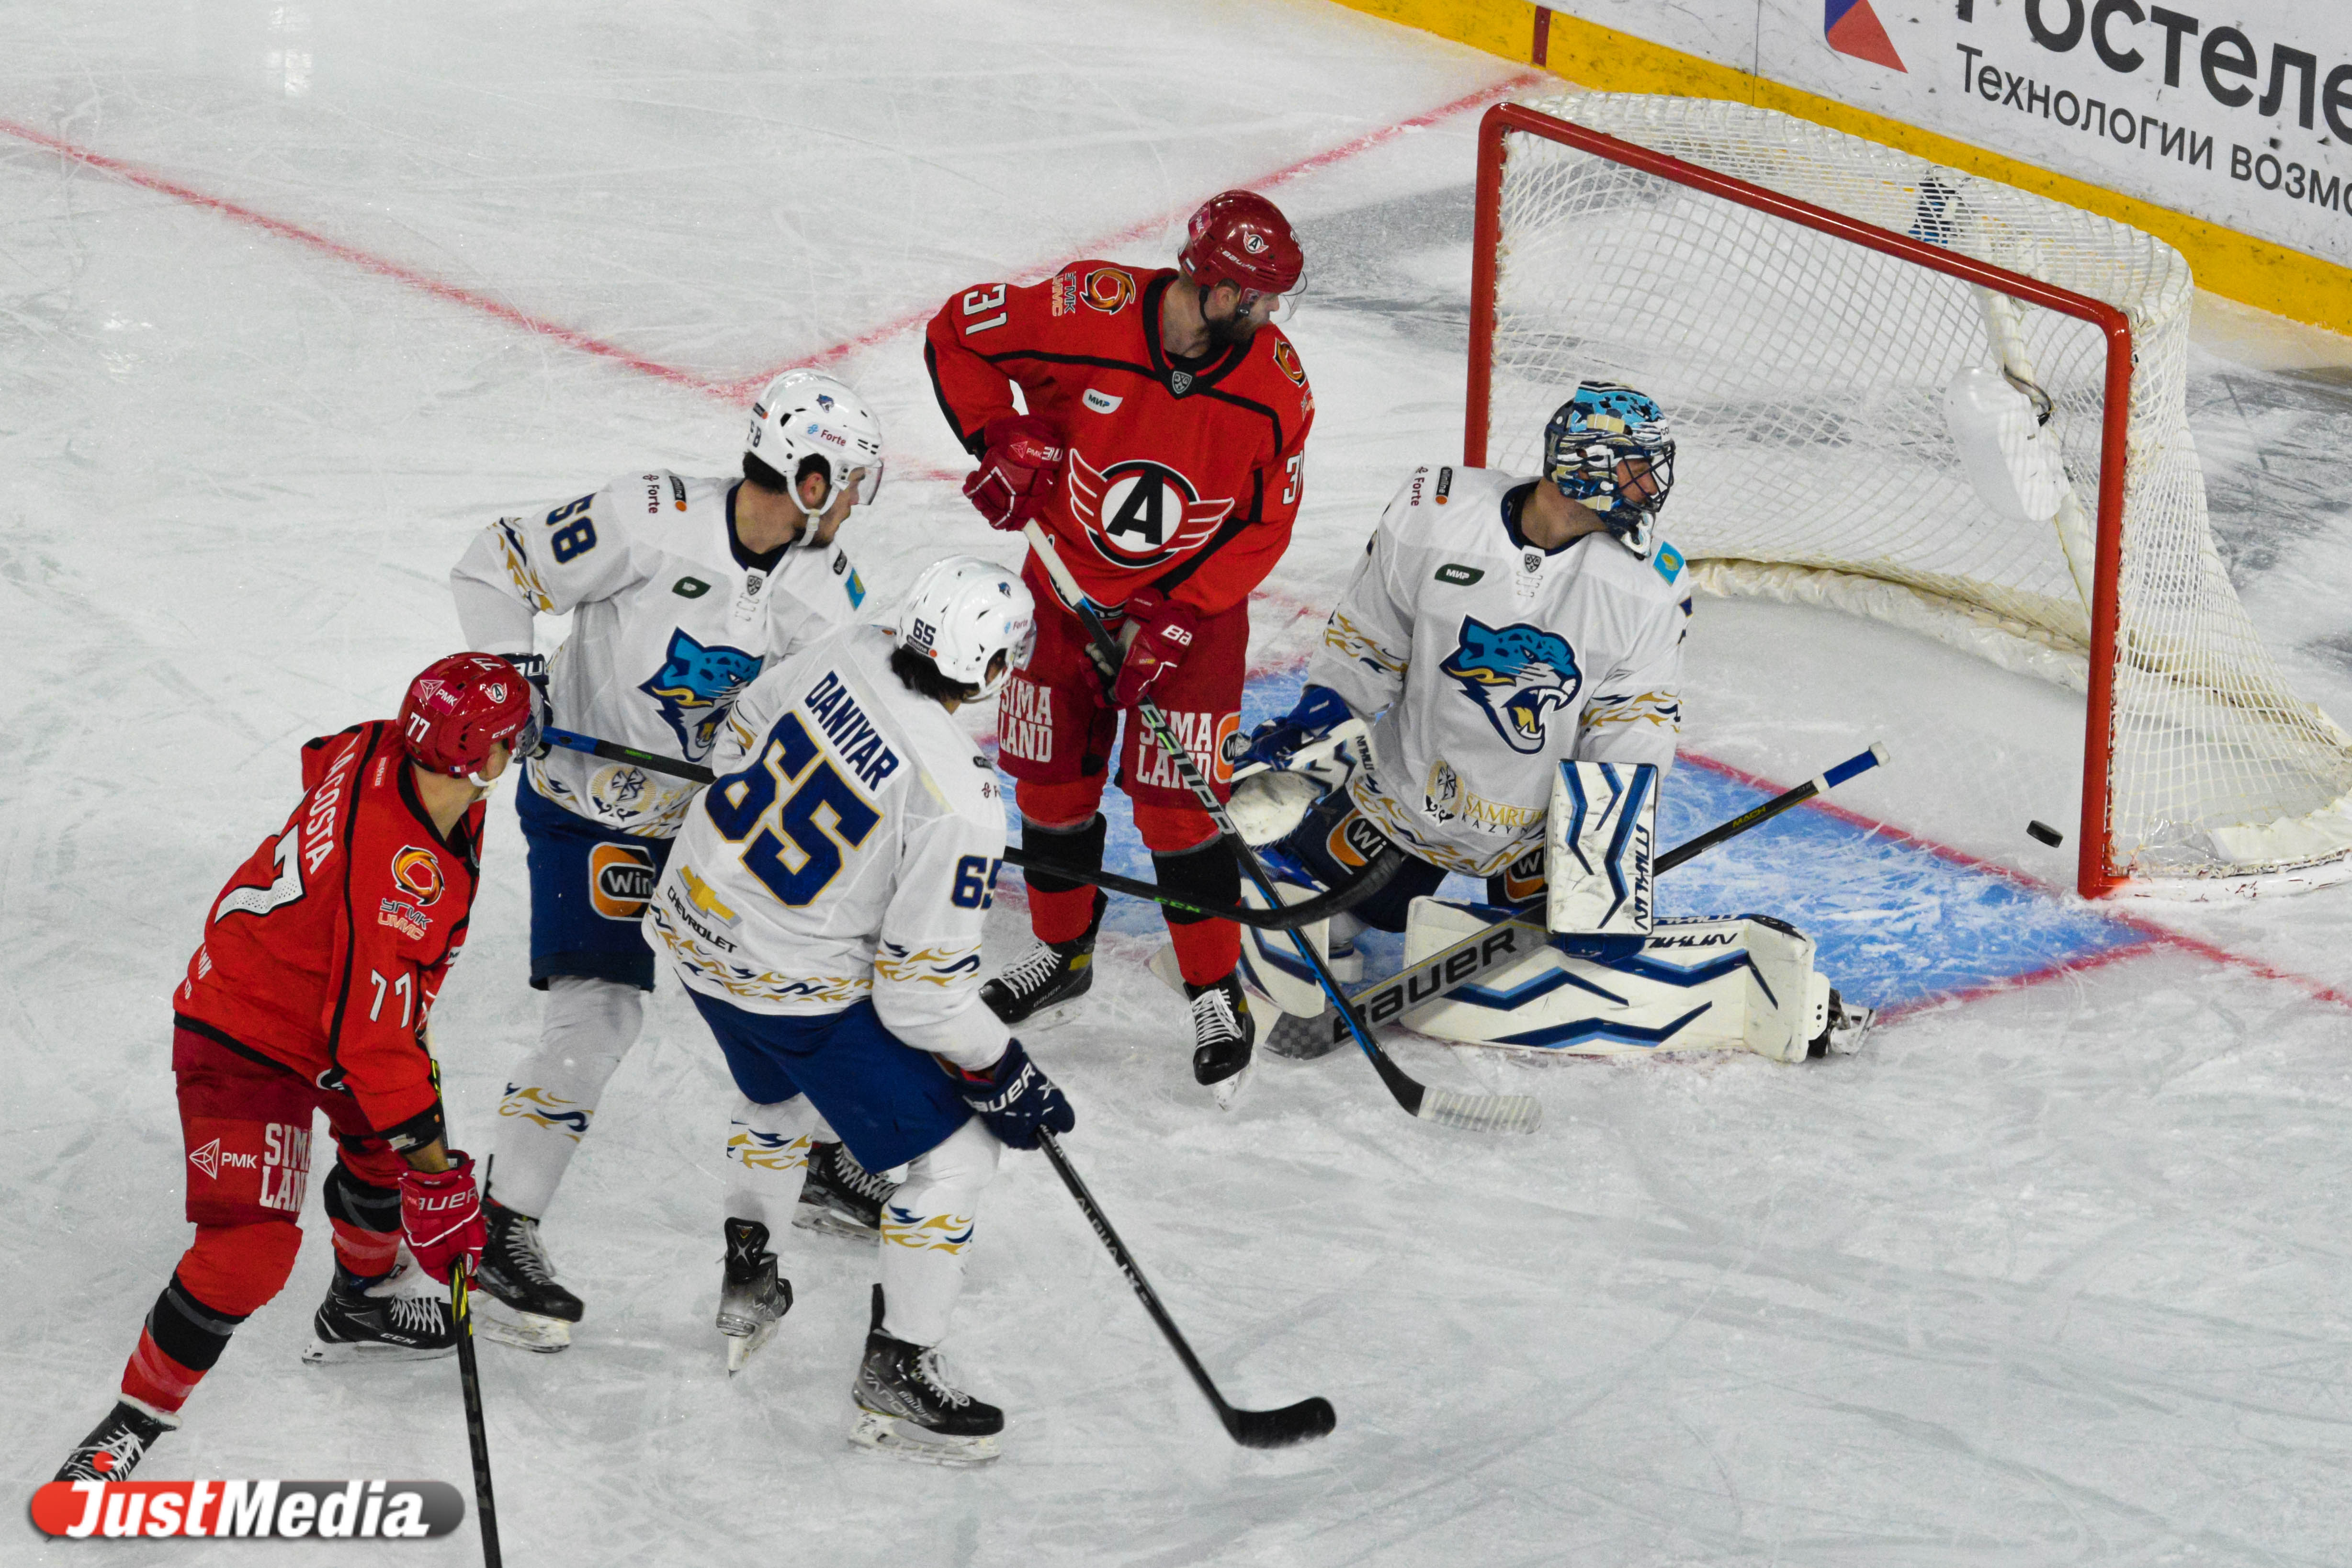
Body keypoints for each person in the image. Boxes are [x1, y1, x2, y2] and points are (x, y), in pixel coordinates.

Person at [446, 371, 894, 1350]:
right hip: (589, 805)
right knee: (598, 1012)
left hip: (709, 824)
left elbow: (848, 719)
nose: (858, 498)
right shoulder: (645, 515)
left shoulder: (829, 590)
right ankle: (501, 1225)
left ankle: (814, 1157)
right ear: (807, 475)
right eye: (850, 478)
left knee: (793, 992)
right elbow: (494, 566)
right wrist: (514, 674)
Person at [53, 654, 535, 1484]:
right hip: (244, 1033)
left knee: (385, 1136)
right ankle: (130, 1423)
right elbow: (370, 1045)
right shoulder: (397, 883)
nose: (524, 747)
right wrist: (440, 1180)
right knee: (250, 1250)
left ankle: (359, 1308)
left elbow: (325, 752)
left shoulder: (385, 748)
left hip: (329, 1005)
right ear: (479, 760)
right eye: (514, 739)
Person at [645, 555, 1071, 1465]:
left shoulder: (852, 648)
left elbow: (748, 722)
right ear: (991, 670)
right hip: (784, 977)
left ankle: (747, 1284)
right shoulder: (961, 799)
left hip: (689, 922)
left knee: (776, 1100)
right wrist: (1004, 1070)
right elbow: (920, 997)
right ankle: (900, 1367)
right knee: (959, 1155)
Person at [923, 190, 1313, 1104]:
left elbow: (1269, 520)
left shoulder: (1276, 385)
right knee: (1050, 784)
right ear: (1208, 283)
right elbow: (957, 333)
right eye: (1252, 298)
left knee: (1180, 807)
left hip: (1195, 617)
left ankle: (1215, 991)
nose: (1265, 317)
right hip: (1063, 590)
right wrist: (1000, 436)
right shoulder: (1083, 309)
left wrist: (1181, 611)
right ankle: (1062, 955)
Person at [1238, 383, 1690, 982]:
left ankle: (1547, 905)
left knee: (1564, 971)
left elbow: (1633, 719)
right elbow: (1369, 638)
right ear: (1585, 466)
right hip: (1405, 800)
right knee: (1297, 923)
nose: (1652, 488)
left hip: (1542, 831)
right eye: (1637, 470)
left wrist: (1603, 860)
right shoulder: (1436, 513)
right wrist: (1317, 722)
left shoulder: (1651, 582)